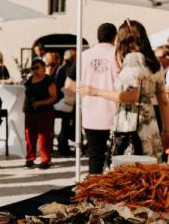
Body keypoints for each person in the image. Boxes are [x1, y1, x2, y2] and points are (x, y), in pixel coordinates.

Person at [79, 19, 169, 162]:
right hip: (151, 125)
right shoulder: (153, 60)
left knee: (129, 176)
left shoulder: (133, 59)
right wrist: (166, 130)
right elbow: (163, 100)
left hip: (131, 127)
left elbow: (130, 96)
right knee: (148, 173)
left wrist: (96, 91)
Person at [65, 23, 118, 174]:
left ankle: (94, 193)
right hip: (115, 112)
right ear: (115, 37)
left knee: (95, 157)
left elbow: (68, 84)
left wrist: (84, 91)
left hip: (91, 113)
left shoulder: (84, 55)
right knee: (116, 158)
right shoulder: (118, 53)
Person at [23, 58, 57, 169]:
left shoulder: (49, 80)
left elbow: (53, 97)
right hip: (30, 111)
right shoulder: (30, 79)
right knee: (29, 136)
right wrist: (24, 105)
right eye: (33, 68)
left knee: (44, 137)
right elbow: (27, 94)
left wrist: (40, 103)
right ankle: (30, 158)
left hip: (45, 112)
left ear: (43, 68)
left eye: (37, 68)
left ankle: (45, 160)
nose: (35, 70)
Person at [54, 50, 76, 156]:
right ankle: (63, 146)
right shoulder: (70, 69)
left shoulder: (61, 69)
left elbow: (58, 85)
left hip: (63, 100)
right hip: (68, 100)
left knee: (66, 124)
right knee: (67, 124)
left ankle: (63, 145)